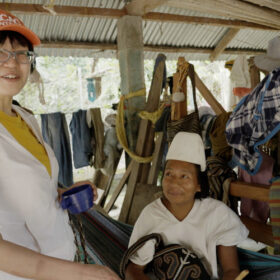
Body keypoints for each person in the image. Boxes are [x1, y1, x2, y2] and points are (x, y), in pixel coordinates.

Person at [0, 9, 119, 280]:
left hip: (59, 257)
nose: (12, 63)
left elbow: (26, 187)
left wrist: (62, 192)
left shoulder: (26, 118)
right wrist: (82, 273)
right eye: (0, 53)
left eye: (21, 54)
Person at [125, 132, 249, 280]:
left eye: (184, 176)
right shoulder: (151, 215)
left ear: (198, 185)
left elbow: (231, 270)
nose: (174, 183)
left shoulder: (217, 214)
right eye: (168, 174)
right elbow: (133, 270)